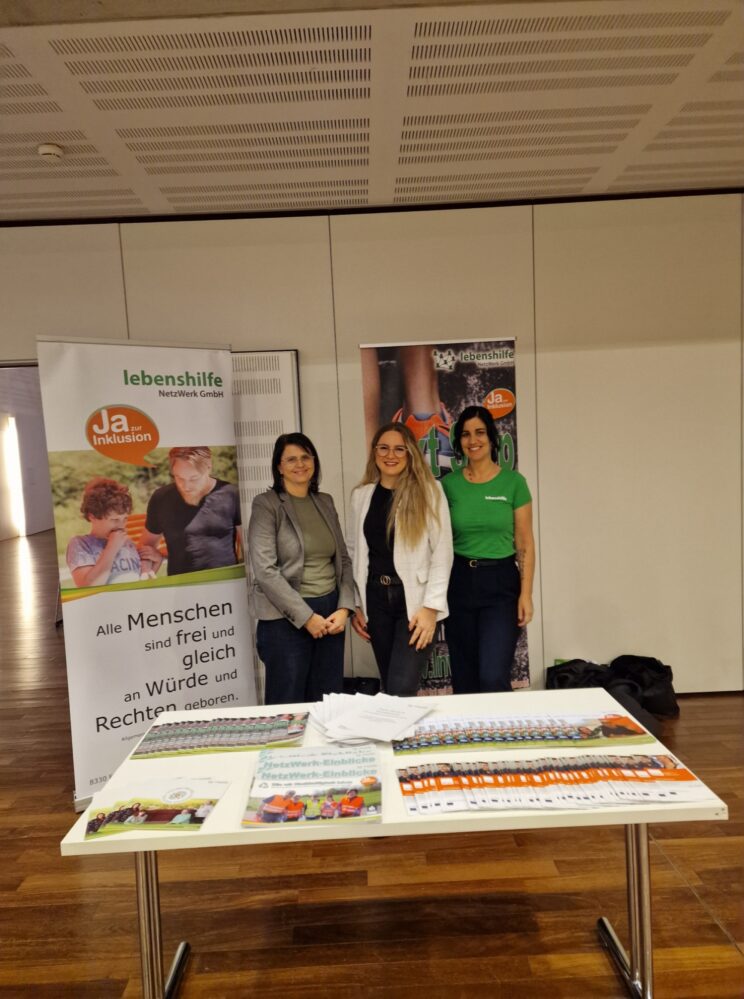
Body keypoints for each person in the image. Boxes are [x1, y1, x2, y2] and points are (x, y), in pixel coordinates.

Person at [248, 433, 354, 705]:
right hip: (285, 618)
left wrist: (344, 608)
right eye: (291, 459)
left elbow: (343, 560)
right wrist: (306, 618)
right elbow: (265, 570)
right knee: (287, 707)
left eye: (306, 457)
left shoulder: (325, 501)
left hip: (330, 614)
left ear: (314, 462)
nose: (300, 464)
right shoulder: (266, 504)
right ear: (279, 467)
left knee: (327, 702)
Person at [348, 422, 453, 697]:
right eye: (383, 448)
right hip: (375, 602)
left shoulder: (430, 491)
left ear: (410, 454)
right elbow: (354, 552)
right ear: (374, 452)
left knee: (400, 688)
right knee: (390, 687)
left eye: (399, 449)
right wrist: (357, 604)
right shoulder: (361, 496)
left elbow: (443, 553)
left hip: (415, 604)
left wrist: (431, 608)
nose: (390, 455)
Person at [442, 405, 535, 694]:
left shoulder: (514, 483)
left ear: (492, 437)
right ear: (459, 441)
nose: (473, 440)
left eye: (480, 432)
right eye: (466, 434)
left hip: (501, 584)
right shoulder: (448, 485)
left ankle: (500, 724)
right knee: (465, 677)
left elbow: (525, 543)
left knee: (493, 675)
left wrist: (526, 594)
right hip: (459, 582)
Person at [139, 446, 241, 576]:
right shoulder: (161, 498)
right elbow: (146, 547)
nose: (186, 486)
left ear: (209, 467)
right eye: (179, 478)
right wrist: (147, 568)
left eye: (194, 479)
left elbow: (250, 546)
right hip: (181, 584)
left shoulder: (231, 494)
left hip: (226, 581)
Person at [66, 478, 151, 587]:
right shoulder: (80, 544)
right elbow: (88, 587)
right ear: (92, 516)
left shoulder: (127, 543)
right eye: (114, 520)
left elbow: (141, 578)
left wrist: (150, 562)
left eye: (125, 518)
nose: (121, 526)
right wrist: (112, 548)